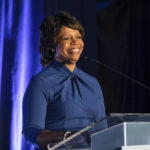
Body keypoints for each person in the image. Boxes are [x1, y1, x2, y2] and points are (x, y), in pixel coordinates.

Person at [23, 11, 107, 150]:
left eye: (78, 37)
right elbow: (31, 133)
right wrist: (68, 137)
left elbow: (104, 130)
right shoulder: (41, 82)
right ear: (52, 45)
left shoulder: (92, 82)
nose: (75, 42)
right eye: (67, 38)